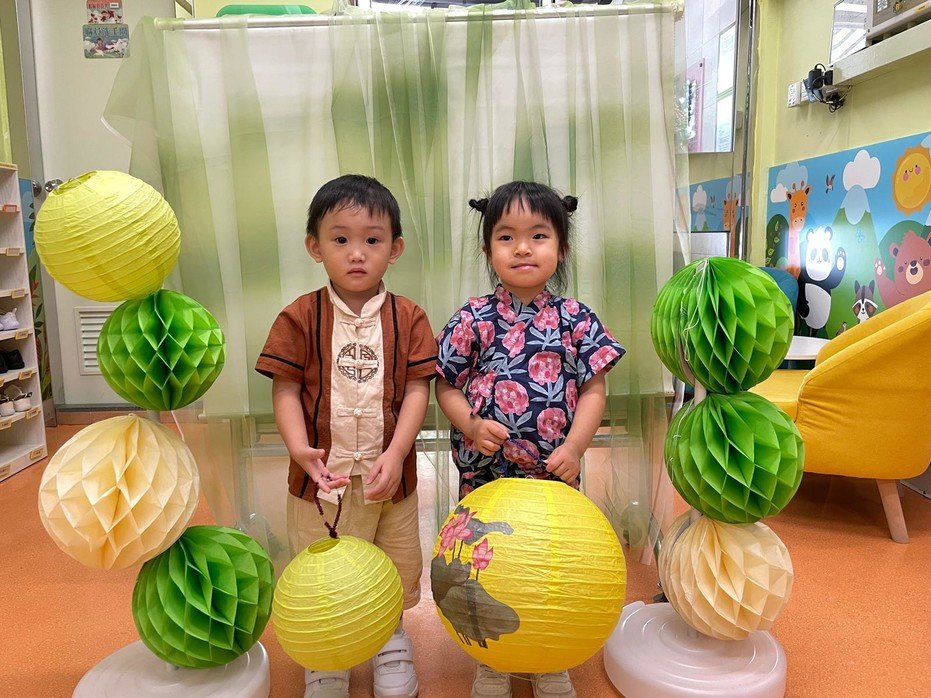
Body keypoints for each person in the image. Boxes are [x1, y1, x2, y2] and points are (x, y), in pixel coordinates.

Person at [434, 181, 625, 698]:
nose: (522, 248)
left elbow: (594, 390)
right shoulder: (472, 317)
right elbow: (445, 385)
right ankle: (491, 658)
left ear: (561, 248)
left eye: (538, 235)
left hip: (553, 476)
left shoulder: (575, 318)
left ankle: (550, 657)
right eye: (506, 237)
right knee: (485, 566)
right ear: (487, 250)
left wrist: (576, 447)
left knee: (552, 563)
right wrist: (471, 425)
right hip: (485, 476)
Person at [256, 175, 437, 698]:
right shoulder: (299, 316)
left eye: (372, 240)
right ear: (315, 247)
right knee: (322, 565)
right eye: (340, 239)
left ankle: (390, 639)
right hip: (321, 481)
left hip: (392, 479)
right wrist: (298, 448)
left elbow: (418, 390)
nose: (357, 253)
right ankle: (326, 653)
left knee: (395, 559)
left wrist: (397, 452)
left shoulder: (410, 317)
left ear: (394, 248)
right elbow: (285, 389)